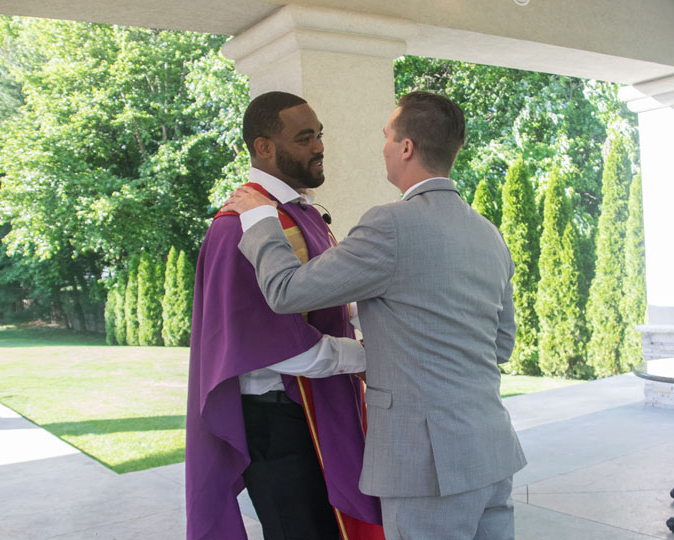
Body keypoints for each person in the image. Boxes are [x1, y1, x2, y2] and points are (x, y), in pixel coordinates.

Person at [224, 91, 527, 540]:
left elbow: (286, 291)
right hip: (492, 450)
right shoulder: (488, 233)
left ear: (406, 148)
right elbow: (499, 345)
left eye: (387, 136)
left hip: (426, 465)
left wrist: (260, 221)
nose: (383, 146)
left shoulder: (389, 225)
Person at [185, 91, 384, 540]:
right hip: (279, 426)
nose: (318, 147)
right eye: (304, 137)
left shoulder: (302, 214)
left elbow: (330, 302)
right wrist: (365, 356)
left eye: (319, 135)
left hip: (320, 406)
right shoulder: (239, 224)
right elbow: (265, 342)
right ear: (264, 147)